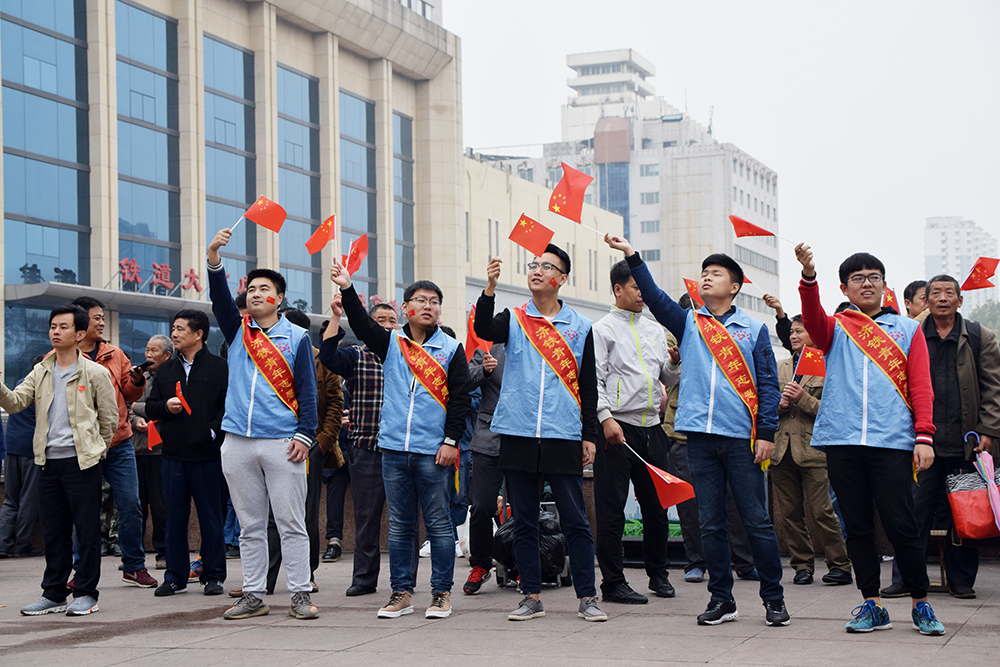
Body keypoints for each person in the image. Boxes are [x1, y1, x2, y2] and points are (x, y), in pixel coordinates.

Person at [604, 234, 788, 627]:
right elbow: (655, 297)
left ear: (734, 287)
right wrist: (632, 255)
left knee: (756, 520)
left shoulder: (753, 329)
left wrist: (767, 434)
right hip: (698, 440)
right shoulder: (689, 323)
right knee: (710, 523)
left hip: (742, 440)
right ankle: (722, 599)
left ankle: (774, 598)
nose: (706, 277)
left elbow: (768, 385)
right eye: (704, 272)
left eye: (716, 273)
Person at [794, 243, 945, 635]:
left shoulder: (908, 330)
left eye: (873, 277)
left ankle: (921, 603)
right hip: (842, 440)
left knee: (902, 526)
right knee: (857, 528)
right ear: (844, 288)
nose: (866, 283)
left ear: (884, 285)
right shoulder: (836, 327)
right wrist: (808, 277)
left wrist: (924, 437)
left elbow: (921, 387)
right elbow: (811, 318)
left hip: (891, 441)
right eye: (857, 278)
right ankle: (871, 604)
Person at [327, 264, 471, 620]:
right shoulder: (390, 342)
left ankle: (441, 594)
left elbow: (459, 400)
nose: (428, 306)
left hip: (433, 452)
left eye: (434, 301)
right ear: (406, 307)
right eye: (420, 300)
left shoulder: (451, 348)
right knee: (400, 526)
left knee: (439, 526)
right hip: (392, 450)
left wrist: (451, 440)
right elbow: (362, 323)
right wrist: (348, 287)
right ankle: (401, 593)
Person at [475, 245, 607, 623]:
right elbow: (483, 329)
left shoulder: (581, 327)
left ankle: (587, 596)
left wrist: (589, 434)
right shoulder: (514, 318)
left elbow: (588, 385)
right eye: (534, 264)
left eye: (547, 266)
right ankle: (531, 595)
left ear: (561, 278)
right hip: (517, 432)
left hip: (562, 432)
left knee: (575, 519)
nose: (537, 270)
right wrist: (489, 287)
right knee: (525, 521)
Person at [208, 228, 320, 621]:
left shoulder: (298, 337)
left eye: (264, 289)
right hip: (237, 441)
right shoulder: (238, 330)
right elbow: (220, 299)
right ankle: (254, 594)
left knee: (291, 523)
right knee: (250, 525)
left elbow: (308, 391)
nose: (256, 294)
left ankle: (300, 593)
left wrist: (305, 435)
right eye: (251, 289)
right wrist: (214, 257)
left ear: (279, 298)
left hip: (283, 442)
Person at [881, 275, 1000, 600]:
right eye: (936, 293)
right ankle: (906, 578)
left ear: (960, 300)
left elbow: (993, 388)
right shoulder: (911, 334)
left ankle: (962, 581)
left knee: (963, 514)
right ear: (927, 300)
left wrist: (988, 430)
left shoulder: (979, 336)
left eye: (949, 293)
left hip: (965, 443)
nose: (943, 298)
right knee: (911, 512)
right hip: (922, 443)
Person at [4, 305, 117, 616]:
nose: (55, 331)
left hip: (82, 464)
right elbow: (15, 403)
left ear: (79, 334)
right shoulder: (41, 370)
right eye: (53, 326)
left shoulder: (95, 372)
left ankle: (86, 593)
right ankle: (54, 594)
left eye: (63, 327)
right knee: (54, 532)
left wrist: (97, 452)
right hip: (48, 463)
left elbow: (109, 420)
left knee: (87, 532)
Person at [593, 259, 681, 604]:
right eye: (635, 287)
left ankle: (658, 574)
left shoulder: (655, 329)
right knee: (612, 510)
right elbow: (595, 380)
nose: (642, 293)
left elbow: (666, 379)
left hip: (652, 428)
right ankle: (613, 582)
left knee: (657, 507)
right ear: (618, 289)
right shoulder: (602, 329)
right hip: (616, 427)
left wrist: (674, 362)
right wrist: (605, 418)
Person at [71, 296, 157, 589]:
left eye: (102, 318)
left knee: (131, 503)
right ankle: (80, 571)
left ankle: (133, 566)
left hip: (119, 442)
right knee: (84, 510)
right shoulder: (64, 356)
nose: (101, 323)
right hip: (84, 445)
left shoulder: (114, 353)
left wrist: (136, 380)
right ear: (80, 321)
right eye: (96, 317)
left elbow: (130, 394)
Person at [146, 310, 229, 597]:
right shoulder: (165, 370)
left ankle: (213, 575)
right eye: (174, 328)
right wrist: (165, 407)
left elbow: (226, 407)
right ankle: (175, 577)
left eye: (181, 329)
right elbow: (151, 406)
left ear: (199, 334)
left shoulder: (219, 368)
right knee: (174, 519)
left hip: (207, 457)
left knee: (211, 519)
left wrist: (212, 433)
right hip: (172, 456)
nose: (175, 334)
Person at [319, 300, 398, 597]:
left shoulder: (408, 356)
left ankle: (405, 581)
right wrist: (336, 316)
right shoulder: (356, 356)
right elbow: (327, 355)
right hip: (366, 446)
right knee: (366, 518)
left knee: (403, 521)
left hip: (403, 449)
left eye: (392, 320)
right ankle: (364, 579)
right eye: (381, 320)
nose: (387, 325)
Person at [265, 308, 344, 593]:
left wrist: (321, 444)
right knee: (269, 515)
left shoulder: (321, 360)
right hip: (271, 442)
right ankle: (263, 579)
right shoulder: (266, 357)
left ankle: (305, 574)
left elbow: (335, 404)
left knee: (306, 514)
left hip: (309, 446)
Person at [772, 316, 852, 586]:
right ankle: (802, 566)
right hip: (781, 450)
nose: (794, 336)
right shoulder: (780, 367)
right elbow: (764, 407)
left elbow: (836, 410)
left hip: (814, 450)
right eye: (792, 332)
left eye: (800, 331)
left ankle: (840, 565)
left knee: (822, 512)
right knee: (790, 514)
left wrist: (802, 398)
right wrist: (781, 405)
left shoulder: (827, 365)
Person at [462, 343, 505, 595]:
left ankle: (523, 566)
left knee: (525, 508)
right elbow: (465, 379)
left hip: (524, 437)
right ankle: (480, 564)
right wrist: (485, 371)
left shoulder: (536, 346)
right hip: (488, 437)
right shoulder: (489, 349)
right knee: (480, 505)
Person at [129, 335, 173, 570]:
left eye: (154, 351)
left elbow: (166, 408)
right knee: (135, 505)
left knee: (160, 506)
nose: (148, 355)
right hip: (137, 448)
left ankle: (163, 552)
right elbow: (125, 405)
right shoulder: (139, 378)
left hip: (159, 450)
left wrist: (138, 407)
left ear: (167, 355)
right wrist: (135, 419)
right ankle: (133, 555)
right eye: (147, 350)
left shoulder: (170, 378)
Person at [0, 355, 46, 558]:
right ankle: (22, 545)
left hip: (12, 447)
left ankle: (2, 544)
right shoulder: (42, 387)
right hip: (31, 448)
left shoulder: (21, 383)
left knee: (10, 499)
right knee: (28, 499)